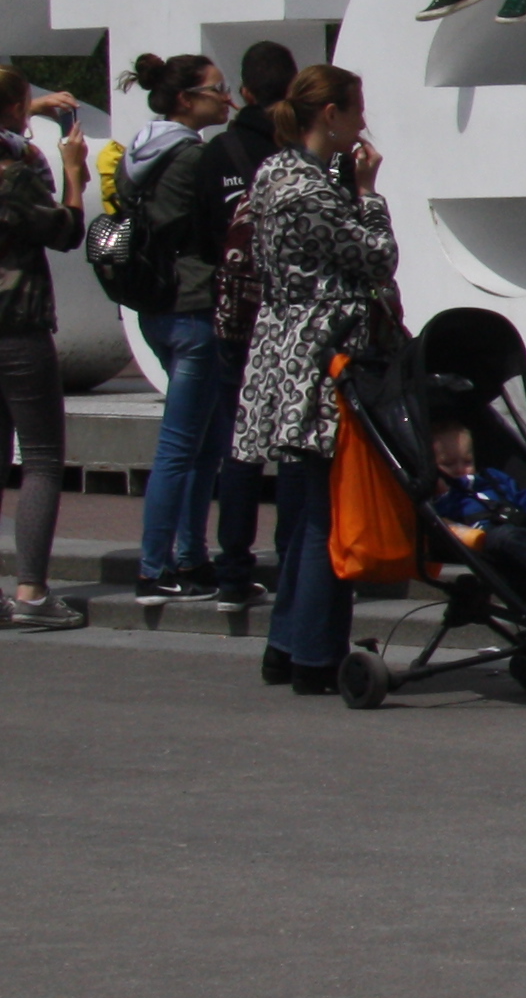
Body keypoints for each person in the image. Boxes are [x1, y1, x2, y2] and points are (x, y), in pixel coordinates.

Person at [225, 63, 397, 694]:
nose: (363, 121)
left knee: (303, 511)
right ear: (331, 115)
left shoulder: (274, 172)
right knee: (329, 512)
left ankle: (286, 644)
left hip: (283, 352)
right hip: (321, 362)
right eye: (356, 108)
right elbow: (377, 258)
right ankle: (315, 655)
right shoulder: (311, 190)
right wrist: (370, 193)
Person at [119, 51, 242, 606]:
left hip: (155, 306)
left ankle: (191, 559)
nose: (226, 96)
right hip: (194, 307)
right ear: (187, 100)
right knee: (181, 446)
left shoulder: (139, 151)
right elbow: (217, 226)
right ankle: (154, 568)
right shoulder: (194, 157)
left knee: (204, 442)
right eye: (217, 88)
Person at [198, 40, 298, 609]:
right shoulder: (300, 152)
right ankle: (294, 561)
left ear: (244, 91)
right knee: (295, 443)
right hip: (292, 315)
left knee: (242, 444)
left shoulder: (219, 153)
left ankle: (233, 571)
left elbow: (201, 233)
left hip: (238, 316)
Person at [1, 66, 95, 631]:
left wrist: (28, 109)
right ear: (16, 109)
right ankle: (32, 591)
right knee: (39, 458)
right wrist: (74, 173)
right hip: (17, 323)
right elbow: (64, 230)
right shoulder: (15, 174)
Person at [425, 413, 526, 608]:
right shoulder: (447, 498)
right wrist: (440, 491)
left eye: (467, 462)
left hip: (519, 520)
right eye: (449, 465)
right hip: (487, 535)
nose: (461, 469)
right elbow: (441, 518)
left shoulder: (491, 478)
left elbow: (520, 495)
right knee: (508, 537)